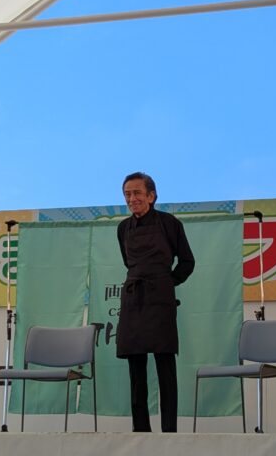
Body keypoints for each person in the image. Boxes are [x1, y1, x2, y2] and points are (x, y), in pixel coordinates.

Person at [116, 172, 194, 432]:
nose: (132, 199)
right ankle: (141, 431)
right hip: (133, 298)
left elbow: (187, 261)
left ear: (151, 196)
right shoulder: (123, 228)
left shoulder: (169, 223)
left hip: (160, 298)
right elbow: (129, 263)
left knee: (165, 364)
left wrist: (167, 283)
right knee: (135, 367)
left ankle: (169, 432)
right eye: (127, 194)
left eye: (137, 193)